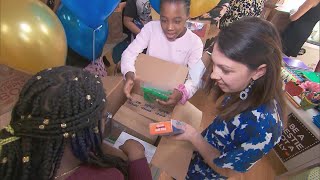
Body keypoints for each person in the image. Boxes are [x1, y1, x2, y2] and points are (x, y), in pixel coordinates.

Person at [170, 17, 286, 179]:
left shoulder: (265, 127)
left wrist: (194, 137)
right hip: (195, 159)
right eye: (214, 63)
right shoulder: (245, 86)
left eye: (226, 70)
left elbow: (229, 171)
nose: (214, 74)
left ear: (259, 71)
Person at [0, 66, 152, 180]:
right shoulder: (109, 176)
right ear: (85, 132)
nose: (105, 119)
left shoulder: (13, 156)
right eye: (104, 116)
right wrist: (137, 157)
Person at [121, 0, 204, 106]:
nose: (169, 27)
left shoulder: (195, 43)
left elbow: (195, 78)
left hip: (171, 94)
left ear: (187, 16)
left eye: (177, 21)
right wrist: (129, 73)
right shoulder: (150, 29)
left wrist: (182, 92)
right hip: (146, 89)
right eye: (164, 20)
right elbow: (129, 53)